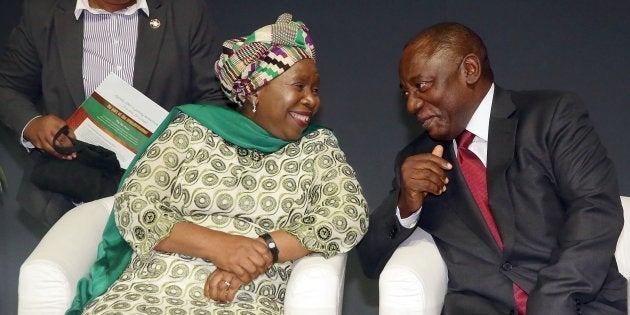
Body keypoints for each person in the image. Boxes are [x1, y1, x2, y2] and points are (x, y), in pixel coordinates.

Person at [67, 13, 369, 314]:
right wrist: (221, 247)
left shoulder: (317, 148)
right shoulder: (190, 128)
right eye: (299, 86)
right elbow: (135, 205)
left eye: (315, 90)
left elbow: (349, 214)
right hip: (150, 288)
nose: (311, 100)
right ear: (256, 90)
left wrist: (260, 252)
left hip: (245, 296)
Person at [357, 22, 626, 314]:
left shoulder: (550, 116)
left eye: (421, 86)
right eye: (405, 92)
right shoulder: (417, 158)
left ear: (469, 70)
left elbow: (596, 208)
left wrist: (552, 301)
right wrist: (406, 205)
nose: (411, 105)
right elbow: (370, 260)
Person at [0, 0, 227, 227]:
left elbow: (214, 97)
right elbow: (8, 86)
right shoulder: (44, 10)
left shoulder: (184, 10)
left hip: (164, 190)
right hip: (70, 189)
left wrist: (178, 148)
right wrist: (31, 124)